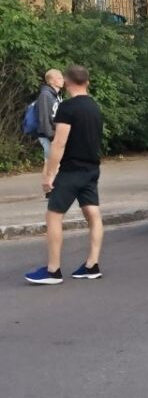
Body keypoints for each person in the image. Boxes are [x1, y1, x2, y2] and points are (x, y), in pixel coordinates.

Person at [25, 65, 105, 285]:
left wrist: (49, 175)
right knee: (93, 214)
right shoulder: (94, 107)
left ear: (68, 83)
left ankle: (53, 270)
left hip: (71, 170)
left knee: (53, 216)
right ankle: (92, 265)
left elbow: (59, 143)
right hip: (92, 169)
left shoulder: (67, 108)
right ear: (87, 82)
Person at [34, 69, 64, 177]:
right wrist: (51, 136)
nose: (62, 80)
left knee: (55, 163)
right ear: (52, 81)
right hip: (47, 135)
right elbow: (44, 118)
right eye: (59, 78)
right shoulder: (45, 95)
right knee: (50, 163)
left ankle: (54, 189)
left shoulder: (56, 95)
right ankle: (49, 191)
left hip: (55, 134)